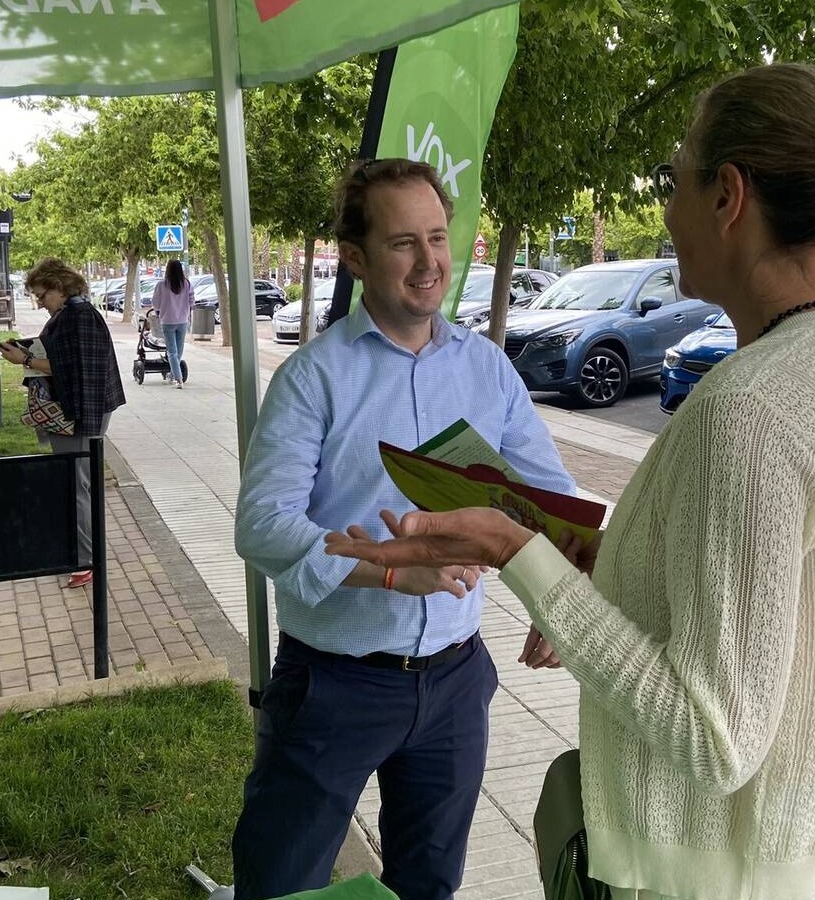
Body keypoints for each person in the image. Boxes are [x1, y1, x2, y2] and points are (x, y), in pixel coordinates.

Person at [324, 64, 815, 900]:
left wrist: (516, 552)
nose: (667, 212)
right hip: (784, 861)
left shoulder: (751, 410)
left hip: (697, 877)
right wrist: (598, 554)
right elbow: (756, 599)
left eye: (671, 181)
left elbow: (712, 738)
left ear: (728, 196)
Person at [229, 158, 577, 900]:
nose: (429, 265)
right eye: (402, 244)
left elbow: (547, 495)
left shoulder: (486, 369)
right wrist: (389, 569)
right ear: (353, 259)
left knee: (428, 883)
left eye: (438, 238)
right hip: (332, 683)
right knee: (281, 882)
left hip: (455, 679)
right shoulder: (314, 377)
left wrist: (561, 594)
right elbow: (260, 526)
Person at [0, 258, 126, 589]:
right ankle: (83, 554)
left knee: (76, 482)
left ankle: (85, 559)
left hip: (78, 411)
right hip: (80, 408)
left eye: (42, 296)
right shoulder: (75, 314)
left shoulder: (77, 317)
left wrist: (24, 358)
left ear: (59, 287)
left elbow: (70, 368)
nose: (40, 303)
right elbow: (67, 358)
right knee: (77, 480)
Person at [152, 259, 194, 388]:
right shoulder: (186, 284)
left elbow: (155, 302)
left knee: (172, 351)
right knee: (179, 350)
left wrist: (158, 311)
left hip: (167, 321)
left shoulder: (161, 285)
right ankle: (173, 374)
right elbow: (192, 300)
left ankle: (178, 378)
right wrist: (187, 309)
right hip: (182, 320)